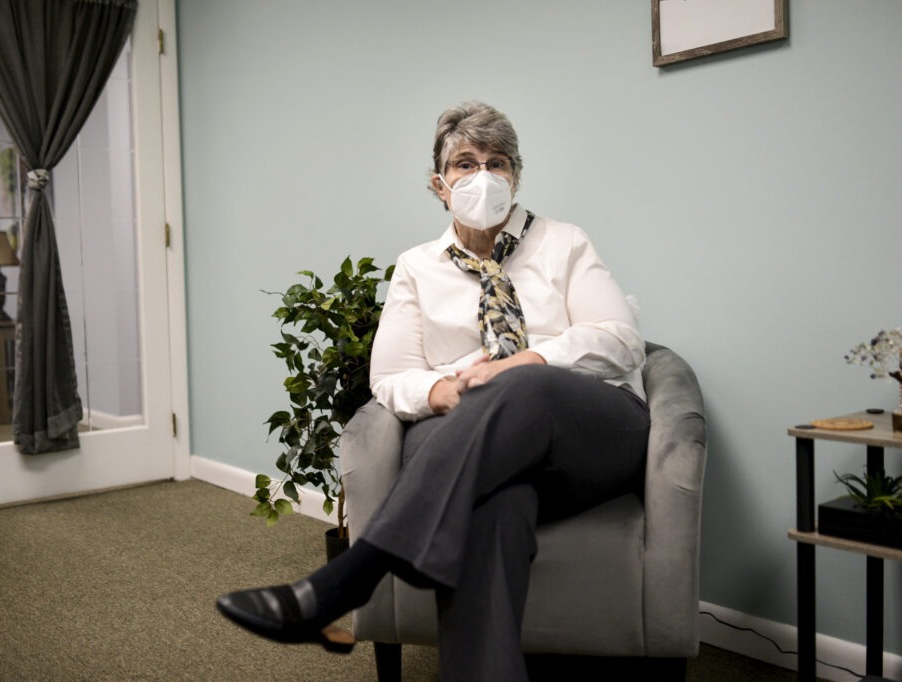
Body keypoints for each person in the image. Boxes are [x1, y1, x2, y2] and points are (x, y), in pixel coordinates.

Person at [217, 101, 649, 682]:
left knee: (528, 385)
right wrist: (444, 391)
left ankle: (345, 581)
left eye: (497, 163)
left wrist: (524, 360)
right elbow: (390, 378)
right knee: (497, 502)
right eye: (465, 164)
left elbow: (621, 340)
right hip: (477, 444)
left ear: (515, 177)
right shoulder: (415, 268)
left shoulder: (564, 243)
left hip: (583, 433)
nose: (483, 177)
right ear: (439, 185)